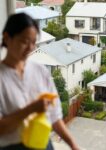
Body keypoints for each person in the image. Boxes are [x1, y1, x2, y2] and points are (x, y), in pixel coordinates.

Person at [0, 13, 79, 150]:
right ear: (7, 37)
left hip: (43, 142)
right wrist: (30, 109)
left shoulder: (40, 71)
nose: (30, 48)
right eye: (24, 41)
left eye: (33, 42)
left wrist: (73, 144)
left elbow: (54, 117)